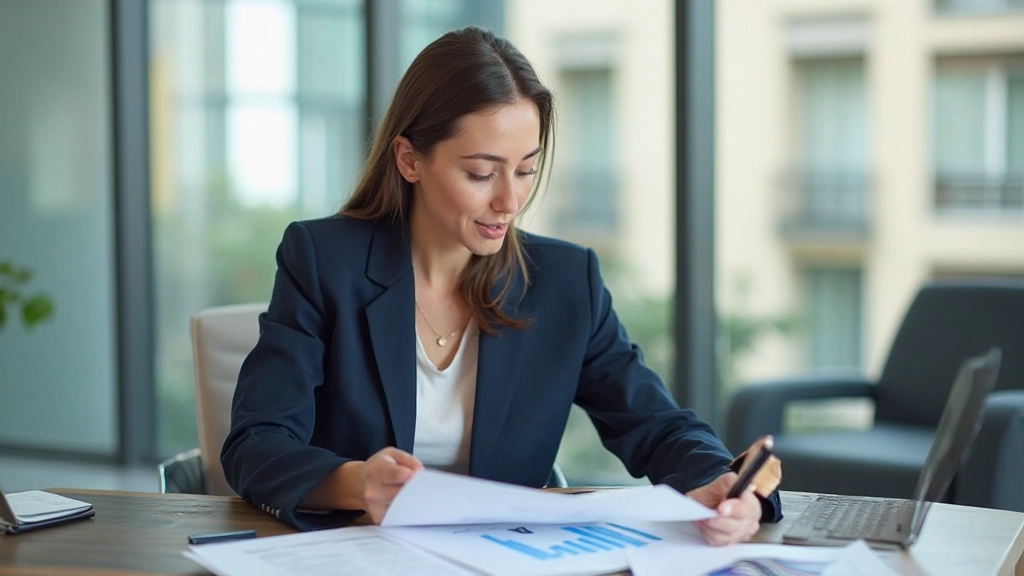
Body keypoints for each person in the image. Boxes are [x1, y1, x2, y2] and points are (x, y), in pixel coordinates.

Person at [221, 25, 781, 545]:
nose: (510, 202)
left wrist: (722, 480)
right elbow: (256, 445)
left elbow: (658, 426)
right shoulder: (324, 261)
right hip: (355, 554)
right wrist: (355, 481)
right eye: (482, 173)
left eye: (526, 169)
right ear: (410, 159)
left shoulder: (564, 282)